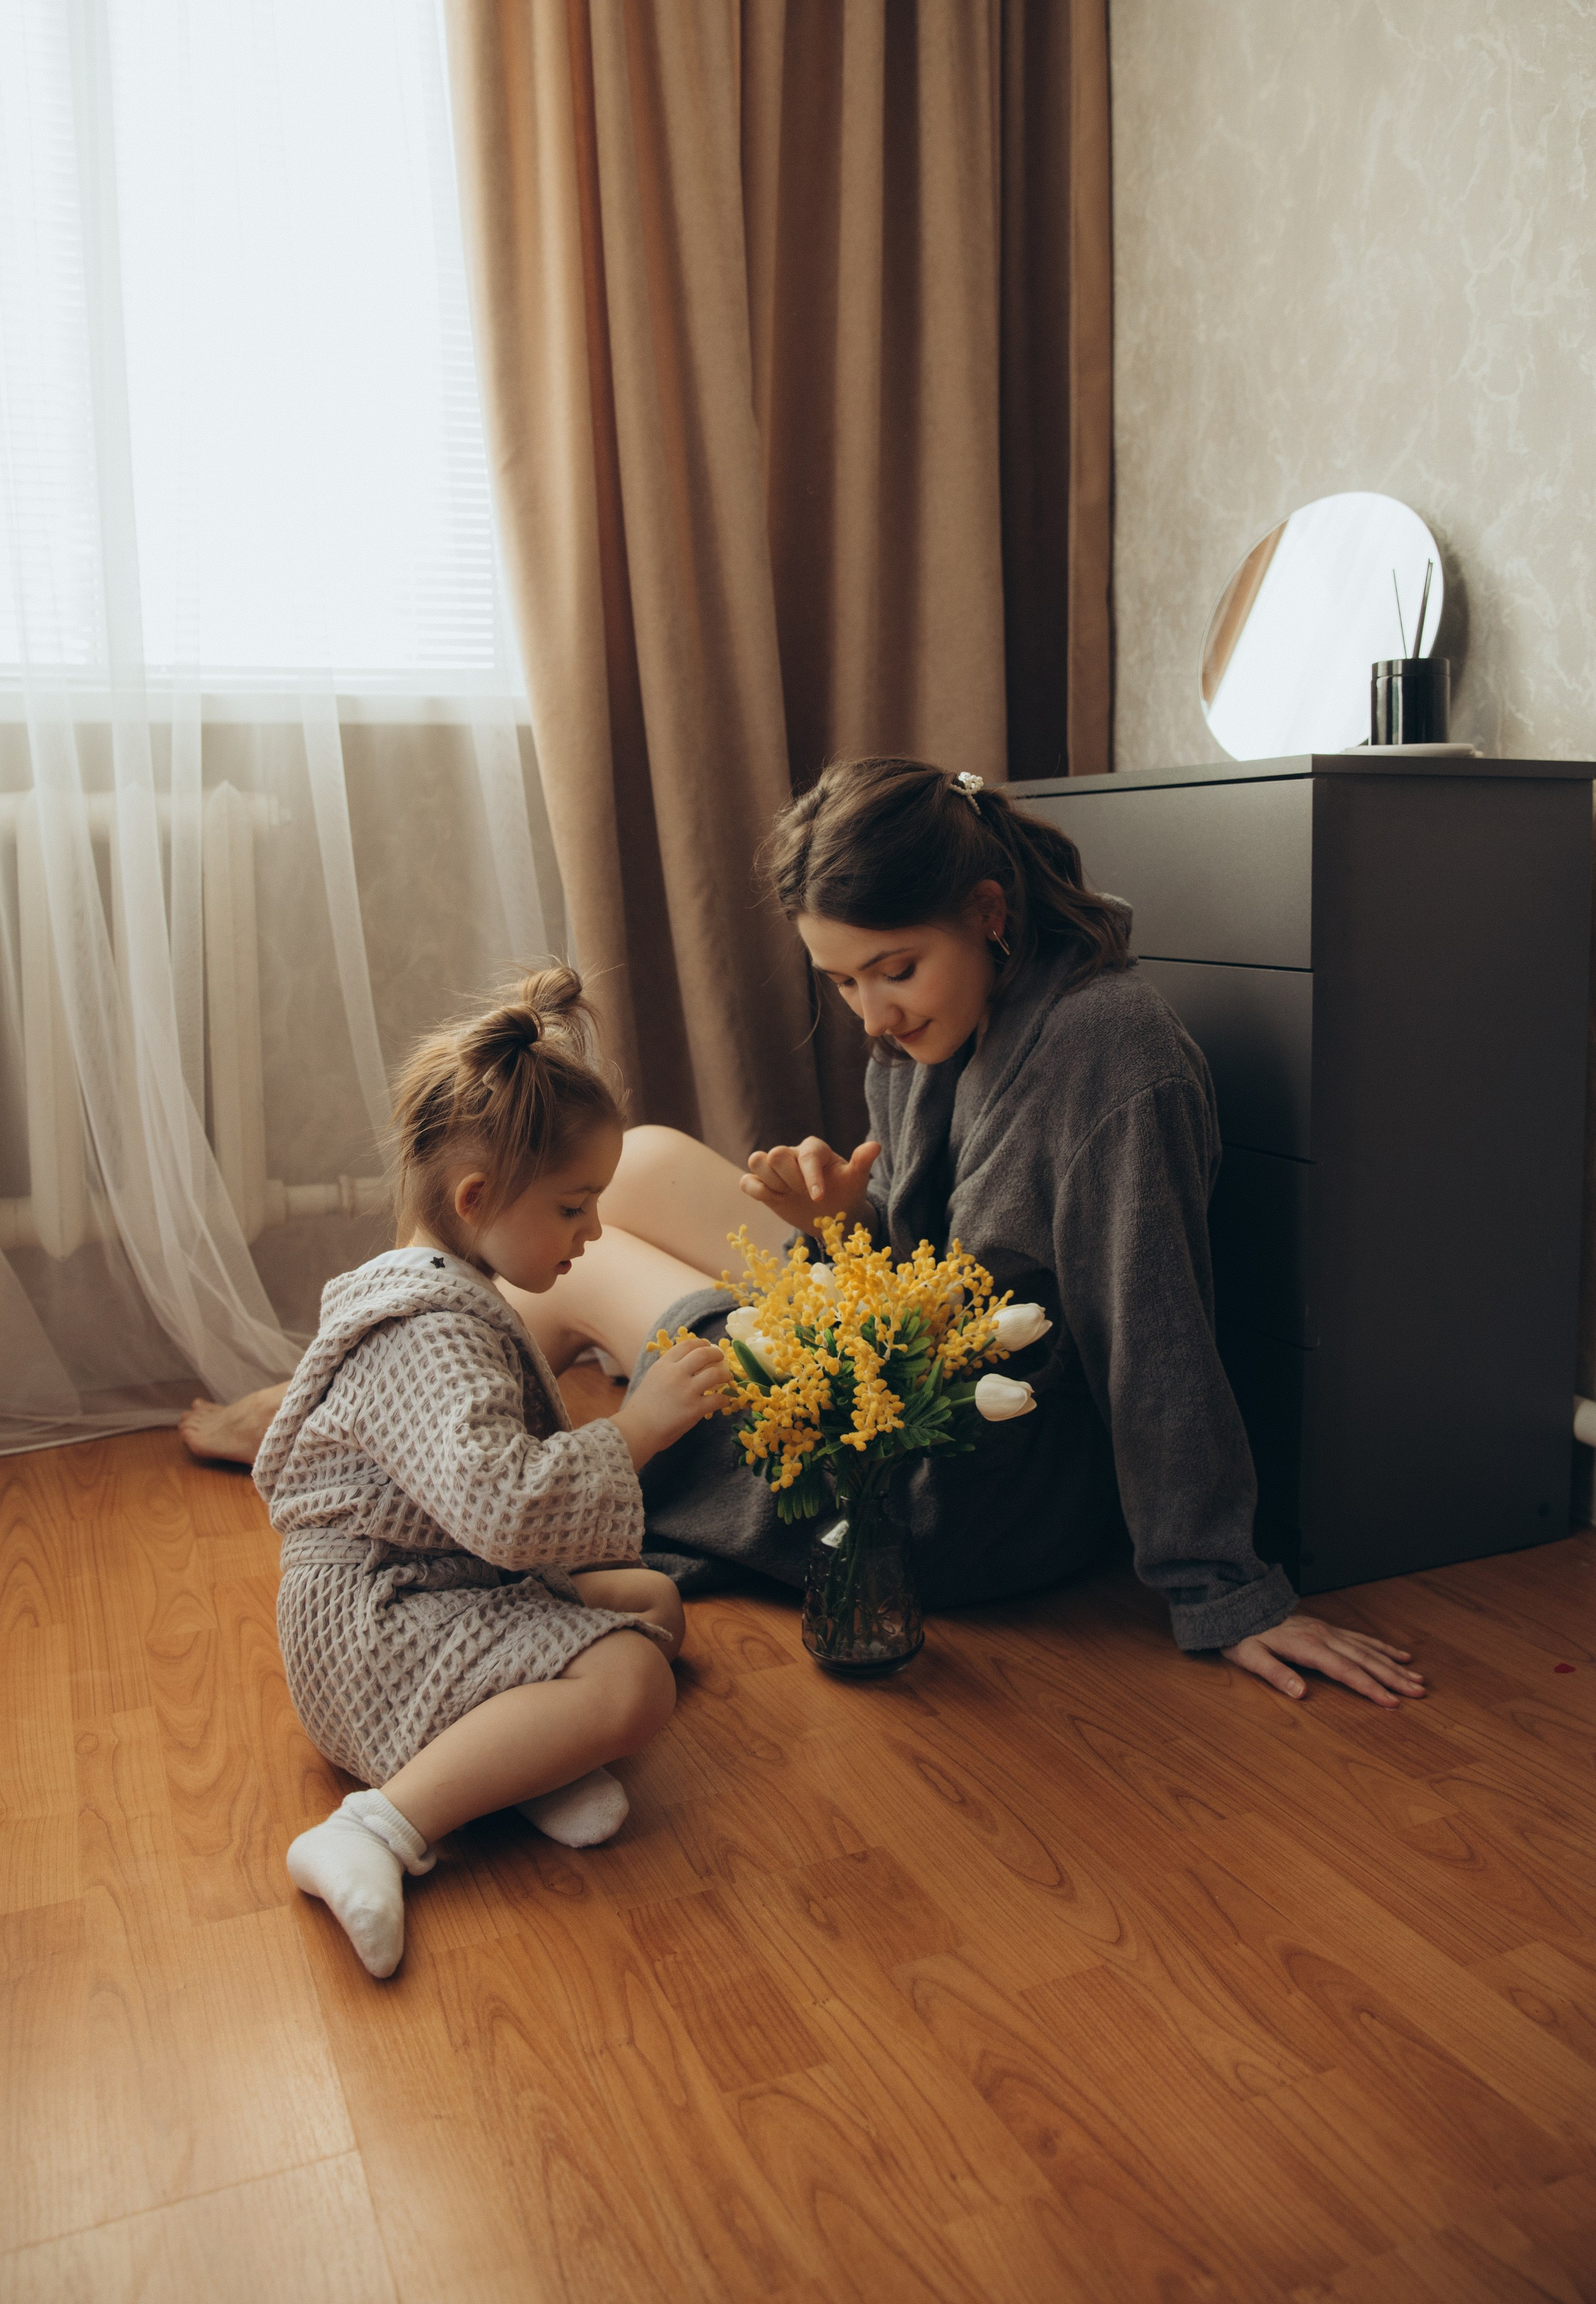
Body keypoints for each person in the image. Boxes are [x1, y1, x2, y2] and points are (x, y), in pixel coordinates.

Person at [191, 757, 1423, 1713]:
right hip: (903, 1352)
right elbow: (916, 1266)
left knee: (594, 1253)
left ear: (990, 912)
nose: (873, 1017)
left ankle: (366, 1399)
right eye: (840, 983)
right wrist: (839, 1228)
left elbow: (1153, 1327)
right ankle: (396, 1398)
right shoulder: (953, 1022)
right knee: (650, 1160)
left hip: (960, 1476)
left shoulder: (1113, 1056)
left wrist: (1224, 1589)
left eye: (892, 971)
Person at [254, 968, 729, 1978]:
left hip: (435, 1587)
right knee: (637, 1679)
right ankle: (375, 1829)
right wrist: (635, 1428)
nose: (593, 1235)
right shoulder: (425, 1334)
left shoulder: (445, 1285)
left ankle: (517, 1769)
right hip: (377, 1634)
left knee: (654, 1597)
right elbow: (508, 1510)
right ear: (476, 1199)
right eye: (573, 1208)